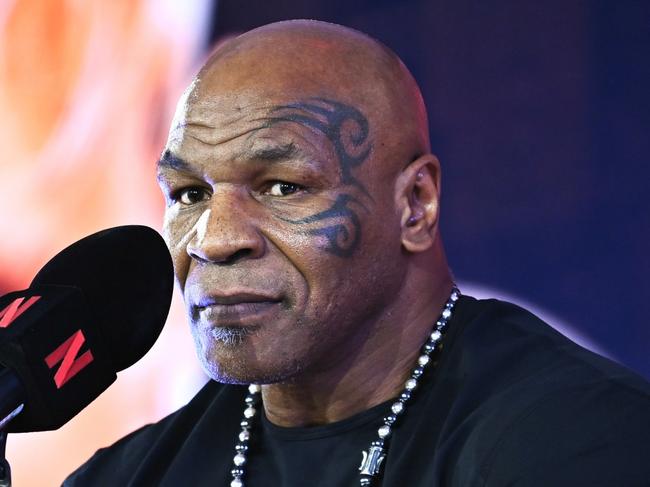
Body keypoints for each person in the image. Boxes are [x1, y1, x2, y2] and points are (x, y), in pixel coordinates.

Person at [64, 20, 650, 487]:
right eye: (190, 194)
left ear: (415, 206)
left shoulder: (581, 440)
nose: (213, 240)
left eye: (282, 188)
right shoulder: (127, 475)